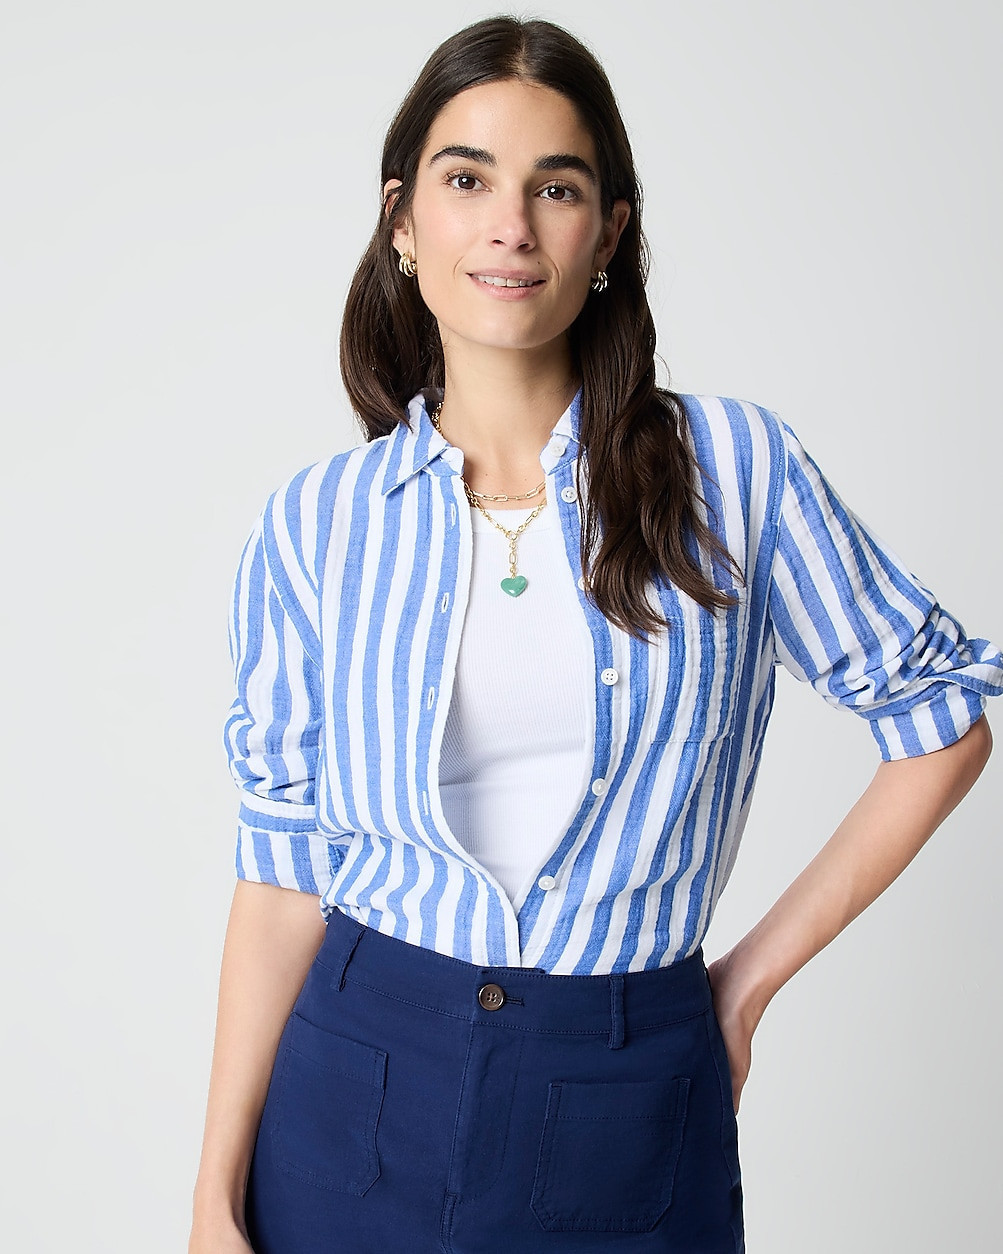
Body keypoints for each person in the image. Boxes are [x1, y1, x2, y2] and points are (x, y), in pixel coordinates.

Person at [188, 15, 1002, 1254]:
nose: (509, 226)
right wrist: (213, 1195)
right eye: (468, 181)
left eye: (555, 188)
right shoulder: (317, 523)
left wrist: (743, 986)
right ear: (403, 222)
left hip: (629, 1091)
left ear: (609, 233)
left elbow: (938, 717)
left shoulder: (734, 472)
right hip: (353, 1088)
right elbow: (282, 868)